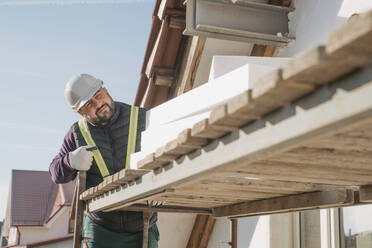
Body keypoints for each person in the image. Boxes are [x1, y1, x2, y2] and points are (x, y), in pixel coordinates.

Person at [49, 74, 158, 248]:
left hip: (142, 224)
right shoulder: (77, 134)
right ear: (80, 112)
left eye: (99, 95)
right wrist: (70, 161)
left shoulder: (142, 118)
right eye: (89, 104)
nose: (98, 104)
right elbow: (55, 173)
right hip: (102, 228)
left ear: (105, 90)